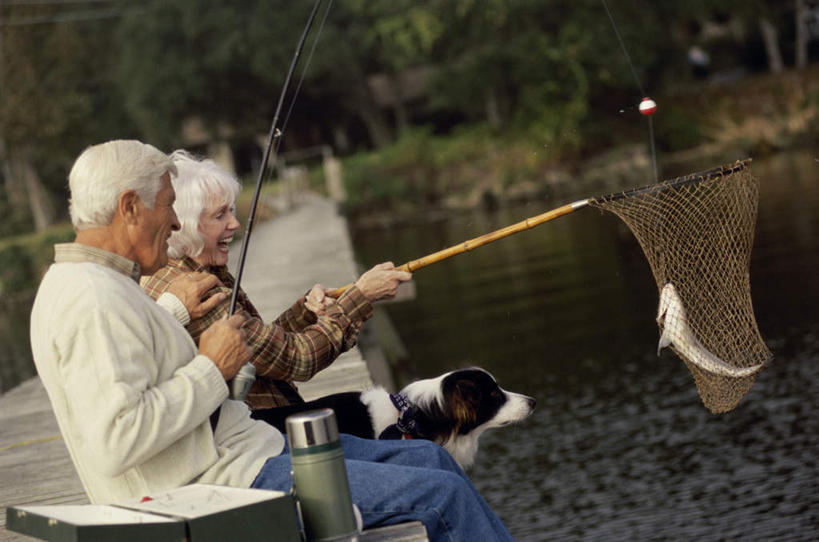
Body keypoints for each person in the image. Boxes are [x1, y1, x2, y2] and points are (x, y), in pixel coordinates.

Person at [30, 140, 515, 541]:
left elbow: (136, 369)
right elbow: (117, 439)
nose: (174, 223)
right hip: (221, 484)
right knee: (442, 495)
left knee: (430, 455)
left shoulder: (96, 284)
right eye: (166, 206)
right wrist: (210, 367)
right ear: (129, 207)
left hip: (248, 452)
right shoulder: (92, 299)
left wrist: (178, 314)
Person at [140, 150, 408, 436]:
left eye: (231, 210)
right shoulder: (197, 290)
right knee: (368, 411)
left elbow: (262, 347)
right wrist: (361, 296)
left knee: (360, 408)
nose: (234, 224)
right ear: (186, 225)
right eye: (220, 215)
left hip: (250, 418)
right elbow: (297, 360)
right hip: (246, 434)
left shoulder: (186, 268)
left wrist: (305, 311)